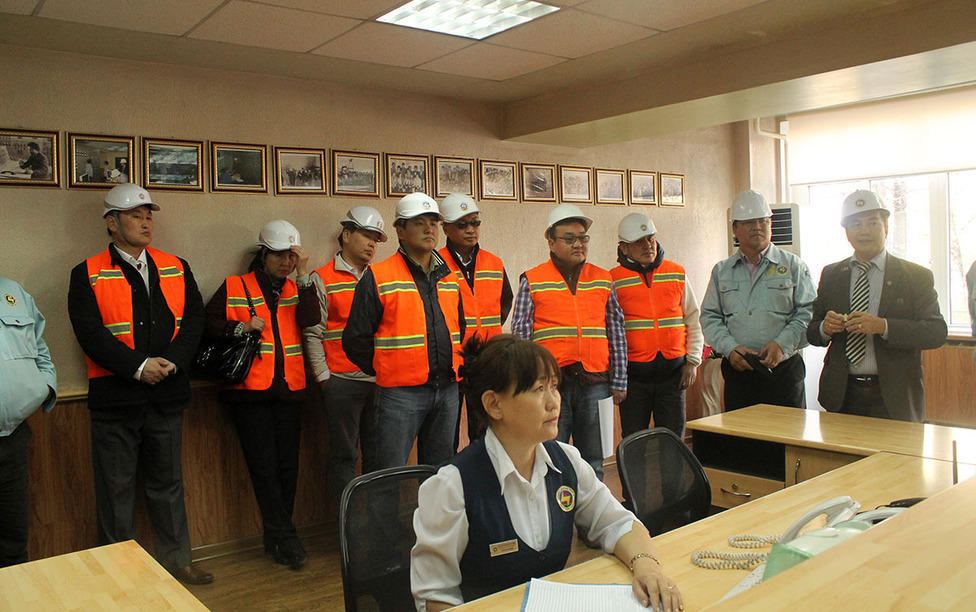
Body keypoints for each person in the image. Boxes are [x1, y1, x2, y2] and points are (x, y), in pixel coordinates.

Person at [411, 334, 683, 612]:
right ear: (494, 404)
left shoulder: (566, 460)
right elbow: (435, 597)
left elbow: (618, 523)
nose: (554, 402)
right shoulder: (453, 485)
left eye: (554, 386)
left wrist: (646, 566)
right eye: (539, 389)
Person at [67, 183, 212, 585]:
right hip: (116, 400)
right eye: (136, 216)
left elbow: (194, 321)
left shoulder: (176, 266)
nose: (146, 222)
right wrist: (138, 366)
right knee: (115, 491)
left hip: (166, 395)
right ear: (112, 223)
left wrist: (172, 363)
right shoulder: (87, 273)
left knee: (168, 484)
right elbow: (91, 334)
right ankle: (119, 575)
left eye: (149, 216)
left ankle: (177, 561)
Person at [204, 219, 319, 570]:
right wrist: (240, 326)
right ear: (264, 255)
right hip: (249, 393)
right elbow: (206, 323)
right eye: (279, 255)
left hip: (290, 390)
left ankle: (277, 538)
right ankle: (287, 538)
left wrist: (304, 275)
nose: (286, 262)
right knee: (264, 468)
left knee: (288, 469)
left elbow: (311, 319)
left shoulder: (297, 287)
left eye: (292, 256)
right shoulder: (236, 285)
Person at [343, 193, 464, 470]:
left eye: (433, 222)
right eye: (419, 223)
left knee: (440, 476)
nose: (429, 229)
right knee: (388, 472)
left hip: (447, 389)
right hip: (399, 395)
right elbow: (355, 339)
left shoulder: (449, 277)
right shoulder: (379, 276)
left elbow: (459, 328)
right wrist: (387, 367)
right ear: (400, 229)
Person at [807, 190, 947, 422]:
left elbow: (936, 332)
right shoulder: (832, 274)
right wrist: (825, 328)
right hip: (842, 394)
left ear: (886, 228)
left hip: (895, 396)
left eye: (873, 223)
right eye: (856, 224)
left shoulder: (915, 276)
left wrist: (883, 326)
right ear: (846, 232)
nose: (864, 231)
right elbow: (812, 332)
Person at [512, 203, 627, 481]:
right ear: (551, 241)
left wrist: (620, 380)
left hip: (595, 382)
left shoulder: (603, 278)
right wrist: (525, 383)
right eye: (569, 238)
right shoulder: (533, 279)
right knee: (550, 457)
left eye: (583, 238)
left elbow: (616, 330)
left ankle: (591, 510)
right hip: (550, 385)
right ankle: (555, 508)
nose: (578, 244)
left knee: (594, 460)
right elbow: (520, 336)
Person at [700, 189, 816, 411]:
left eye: (763, 221)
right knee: (741, 434)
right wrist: (730, 348)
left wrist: (782, 345)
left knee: (786, 434)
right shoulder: (722, 271)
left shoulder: (793, 266)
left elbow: (808, 313)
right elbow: (710, 317)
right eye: (749, 222)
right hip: (739, 377)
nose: (757, 227)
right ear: (735, 228)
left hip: (783, 374)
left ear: (771, 224)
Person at [303, 206, 387, 508]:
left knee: (379, 457)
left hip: (380, 382)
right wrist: (324, 378)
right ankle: (348, 527)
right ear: (347, 235)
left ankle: (377, 527)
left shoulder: (381, 277)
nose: (372, 244)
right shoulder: (322, 278)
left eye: (376, 239)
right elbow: (313, 333)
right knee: (344, 457)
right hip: (342, 382)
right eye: (366, 236)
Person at [611, 213, 703, 439]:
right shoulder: (613, 279)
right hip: (634, 379)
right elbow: (609, 331)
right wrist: (616, 377)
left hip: (674, 376)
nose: (648, 245)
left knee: (673, 441)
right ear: (624, 248)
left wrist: (693, 361)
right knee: (635, 442)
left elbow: (693, 318)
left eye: (650, 238)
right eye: (639, 242)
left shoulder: (676, 272)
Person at [437, 192, 513, 445]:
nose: (471, 230)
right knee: (446, 434)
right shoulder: (436, 263)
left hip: (486, 359)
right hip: (451, 361)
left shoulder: (494, 262)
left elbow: (505, 301)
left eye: (475, 223)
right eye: (462, 225)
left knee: (484, 432)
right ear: (446, 228)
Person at [0, 276, 57, 567]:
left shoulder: (14, 293)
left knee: (13, 543)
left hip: (13, 439)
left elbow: (40, 351)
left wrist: (44, 387)